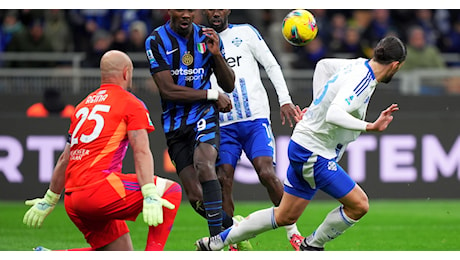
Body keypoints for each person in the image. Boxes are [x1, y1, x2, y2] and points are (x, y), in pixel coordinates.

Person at [195, 35, 407, 251]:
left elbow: (323, 66)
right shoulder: (362, 80)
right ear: (395, 65)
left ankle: (216, 242)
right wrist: (370, 126)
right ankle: (312, 246)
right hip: (313, 152)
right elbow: (334, 113)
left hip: (305, 145)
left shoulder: (359, 65)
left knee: (284, 215)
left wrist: (316, 106)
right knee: (359, 205)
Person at [23, 50, 182, 251]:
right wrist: (149, 192)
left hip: (73, 200)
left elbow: (65, 158)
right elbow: (141, 150)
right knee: (171, 191)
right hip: (100, 191)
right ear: (126, 73)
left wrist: (50, 198)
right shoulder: (130, 102)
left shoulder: (82, 106)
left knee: (121, 252)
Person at [202, 9, 303, 251]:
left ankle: (294, 232)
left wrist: (285, 99)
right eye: (210, 7)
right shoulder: (198, 40)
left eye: (220, 7)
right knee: (223, 179)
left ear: (227, 9)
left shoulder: (245, 32)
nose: (215, 12)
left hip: (255, 119)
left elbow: (270, 64)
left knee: (266, 173)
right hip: (224, 125)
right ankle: (230, 240)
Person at [144, 9, 236, 238]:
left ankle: (216, 242)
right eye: (180, 9)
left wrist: (217, 55)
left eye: (190, 10)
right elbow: (167, 90)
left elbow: (229, 85)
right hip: (175, 124)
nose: (186, 14)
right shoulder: (155, 41)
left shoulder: (207, 36)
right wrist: (211, 95)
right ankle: (235, 228)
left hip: (203, 114)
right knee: (195, 197)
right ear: (169, 10)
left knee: (205, 165)